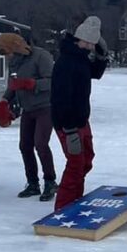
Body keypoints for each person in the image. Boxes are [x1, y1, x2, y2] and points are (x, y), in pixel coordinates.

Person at [51, 16, 108, 210]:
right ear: (81, 40)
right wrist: (69, 129)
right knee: (75, 164)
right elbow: (61, 98)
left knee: (86, 161)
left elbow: (95, 73)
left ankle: (75, 201)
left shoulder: (80, 57)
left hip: (81, 119)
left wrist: (102, 56)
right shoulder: (66, 61)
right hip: (68, 123)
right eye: (91, 44)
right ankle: (63, 208)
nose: (92, 48)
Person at [0, 33, 57, 201]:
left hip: (45, 107)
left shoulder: (41, 56)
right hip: (27, 109)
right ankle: (32, 183)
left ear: (15, 48)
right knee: (25, 146)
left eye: (6, 52)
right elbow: (13, 85)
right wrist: (5, 100)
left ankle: (50, 181)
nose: (5, 56)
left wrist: (32, 84)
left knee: (41, 144)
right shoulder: (14, 62)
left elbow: (53, 81)